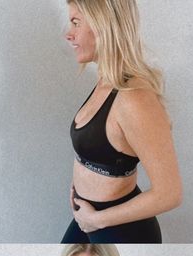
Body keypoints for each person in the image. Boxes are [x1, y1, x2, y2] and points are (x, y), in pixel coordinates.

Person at [62, 0, 182, 243]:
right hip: (87, 219)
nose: (68, 33)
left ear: (104, 25)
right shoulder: (106, 83)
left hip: (118, 228)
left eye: (76, 22)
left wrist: (96, 220)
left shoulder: (134, 99)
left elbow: (170, 194)